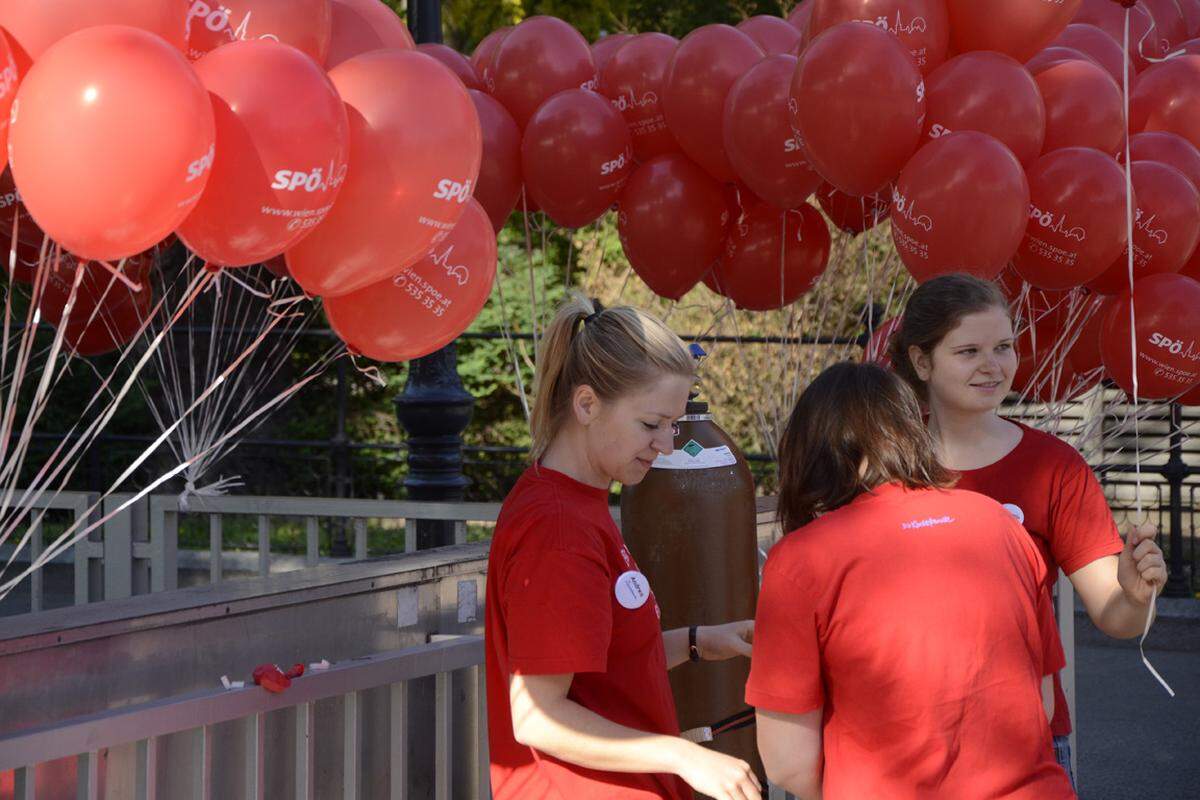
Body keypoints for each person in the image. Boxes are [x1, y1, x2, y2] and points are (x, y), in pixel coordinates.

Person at [748, 362, 1076, 800]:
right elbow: (1042, 702)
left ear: (814, 449)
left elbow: (787, 761)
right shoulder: (1001, 521)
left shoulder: (800, 559)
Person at [888, 273, 1168, 785]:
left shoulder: (1055, 466)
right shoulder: (880, 464)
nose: (992, 365)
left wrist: (1134, 593)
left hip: (1024, 733)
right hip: (902, 733)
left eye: (1004, 346)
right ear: (921, 360)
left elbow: (1117, 618)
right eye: (968, 351)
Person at [484, 296, 761, 800]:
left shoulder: (578, 503)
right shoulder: (559, 528)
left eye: (672, 426)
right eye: (651, 424)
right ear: (587, 405)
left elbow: (604, 666)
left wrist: (701, 640)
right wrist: (682, 754)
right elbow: (537, 718)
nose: (667, 445)